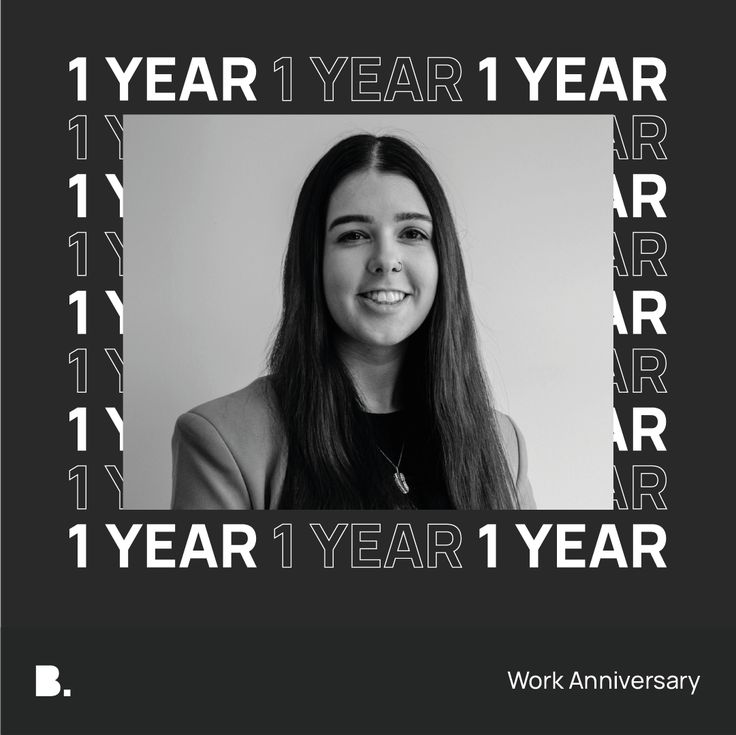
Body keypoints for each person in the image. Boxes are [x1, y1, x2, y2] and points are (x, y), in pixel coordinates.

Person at [171, 134, 535, 510]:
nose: (386, 259)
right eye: (354, 235)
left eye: (412, 233)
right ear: (314, 262)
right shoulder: (223, 440)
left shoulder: (504, 445)